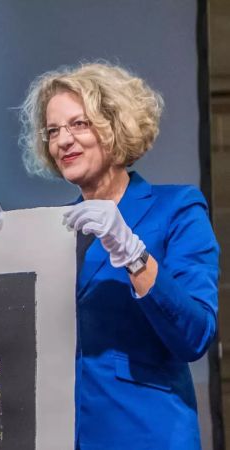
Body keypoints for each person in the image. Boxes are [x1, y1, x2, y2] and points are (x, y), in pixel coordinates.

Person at [17, 62, 219, 448]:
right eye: (53, 131)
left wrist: (133, 253)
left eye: (79, 124)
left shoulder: (177, 208)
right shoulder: (56, 233)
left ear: (115, 124)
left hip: (148, 434)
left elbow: (195, 337)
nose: (63, 141)